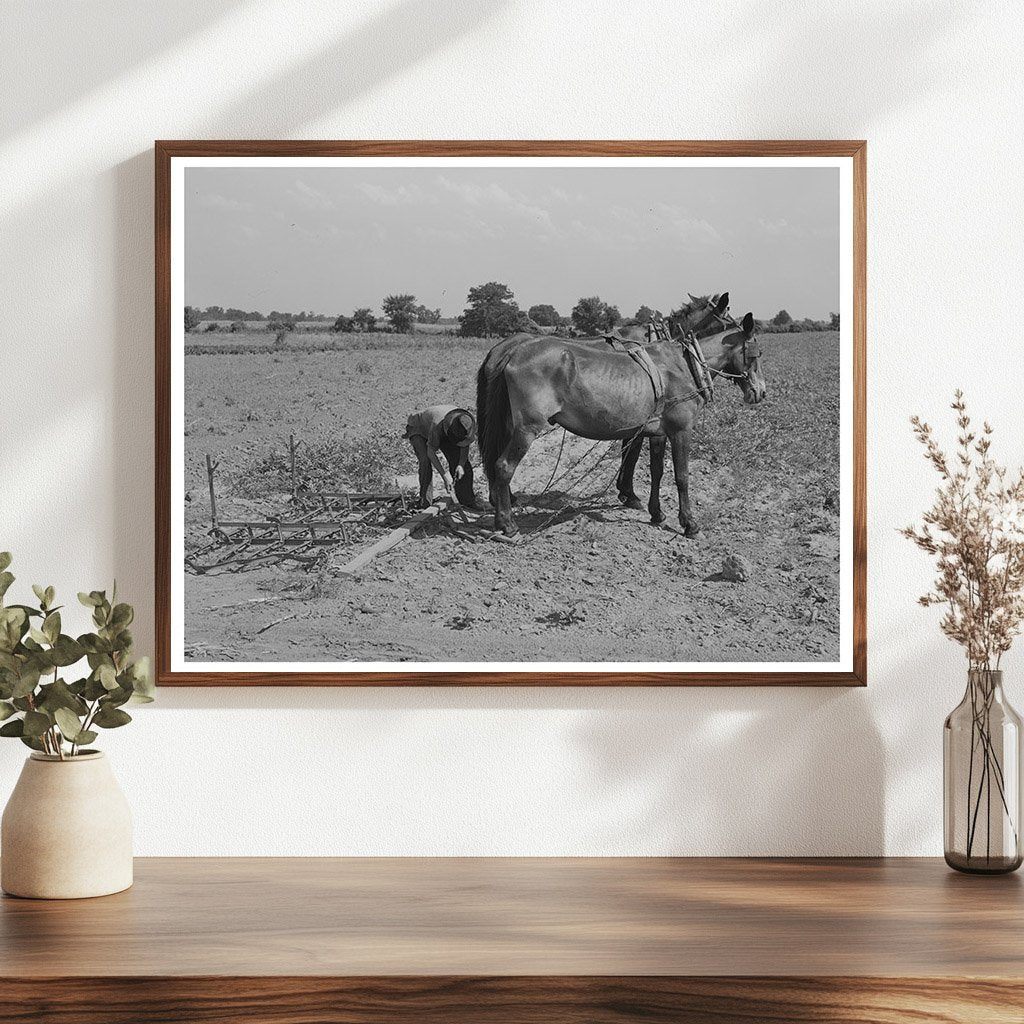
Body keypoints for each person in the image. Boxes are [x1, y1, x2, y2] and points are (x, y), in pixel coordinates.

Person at [403, 405, 483, 509]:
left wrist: (460, 465)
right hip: (418, 428)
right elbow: (430, 452)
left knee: (460, 462)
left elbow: (464, 445)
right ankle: (425, 504)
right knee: (425, 462)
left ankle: (467, 501)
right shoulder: (437, 427)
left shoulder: (466, 424)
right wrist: (445, 476)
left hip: (445, 430)